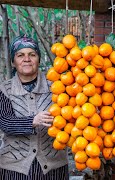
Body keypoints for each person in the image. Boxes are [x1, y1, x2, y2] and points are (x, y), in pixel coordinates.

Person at [0, 34, 68, 179]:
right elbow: (5, 122)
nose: (27, 59)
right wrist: (33, 121)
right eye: (20, 55)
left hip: (54, 166)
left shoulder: (57, 85)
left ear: (38, 59)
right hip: (15, 168)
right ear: (13, 61)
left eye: (32, 54)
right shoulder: (5, 89)